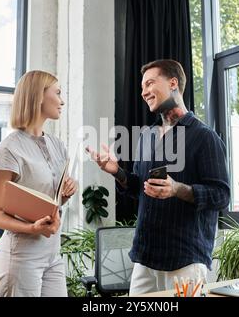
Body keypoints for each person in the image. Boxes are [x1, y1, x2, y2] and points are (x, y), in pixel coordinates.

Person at [87, 59, 230, 296]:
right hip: (145, 258)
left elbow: (221, 195)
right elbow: (139, 187)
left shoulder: (205, 137)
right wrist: (117, 171)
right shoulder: (147, 135)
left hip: (184, 261)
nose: (143, 92)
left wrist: (177, 189)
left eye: (150, 83)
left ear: (173, 83)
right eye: (142, 87)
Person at [0, 70, 77, 297]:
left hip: (53, 255)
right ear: (38, 96)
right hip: (20, 257)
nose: (62, 100)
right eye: (57, 93)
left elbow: (49, 200)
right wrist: (31, 228)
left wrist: (64, 194)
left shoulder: (57, 145)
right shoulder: (8, 150)